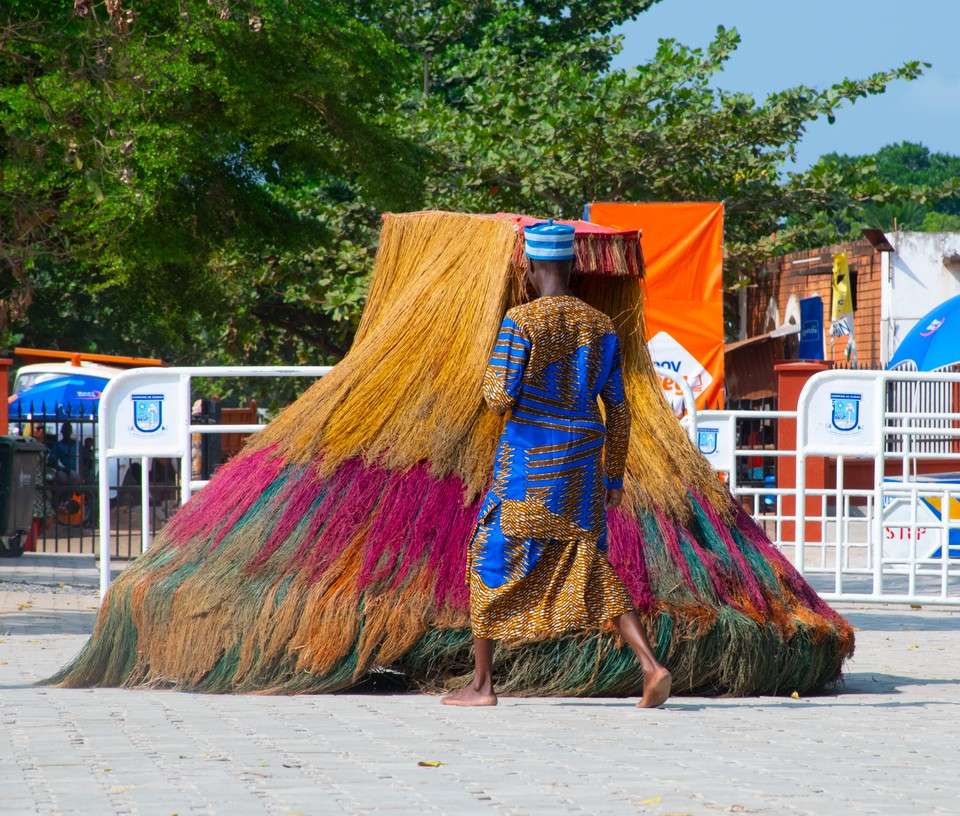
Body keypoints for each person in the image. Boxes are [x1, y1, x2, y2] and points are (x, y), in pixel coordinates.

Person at [443, 220, 672, 708]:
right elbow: (620, 407)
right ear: (572, 266)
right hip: (585, 466)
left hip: (529, 461)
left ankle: (482, 686)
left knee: (486, 553)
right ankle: (651, 667)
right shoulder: (601, 325)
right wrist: (613, 475)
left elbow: (499, 395)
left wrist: (490, 377)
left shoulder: (521, 322)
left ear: (529, 266)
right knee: (585, 559)